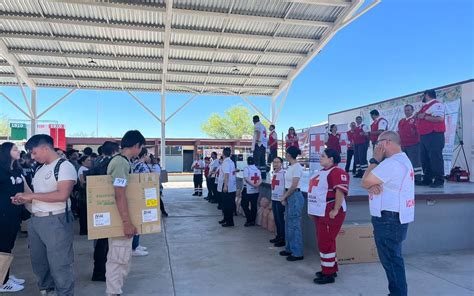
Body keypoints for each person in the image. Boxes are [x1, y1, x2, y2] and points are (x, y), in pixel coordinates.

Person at [12, 134, 77, 296]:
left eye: (34, 153)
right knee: (39, 261)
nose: (33, 157)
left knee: (60, 262)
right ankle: (47, 290)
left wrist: (32, 197)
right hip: (36, 219)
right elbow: (39, 194)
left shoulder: (64, 166)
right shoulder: (40, 168)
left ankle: (65, 293)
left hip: (56, 220)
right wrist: (24, 200)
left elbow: (62, 195)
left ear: (45, 148)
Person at [361, 131, 415, 296]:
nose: (376, 146)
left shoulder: (391, 163)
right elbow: (369, 183)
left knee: (391, 262)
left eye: (378, 143)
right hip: (394, 218)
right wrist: (371, 184)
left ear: (387, 142)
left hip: (388, 220)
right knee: (394, 260)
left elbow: (364, 180)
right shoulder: (402, 160)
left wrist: (374, 161)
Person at [105, 130, 145, 296]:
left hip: (119, 216)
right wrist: (126, 222)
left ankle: (115, 290)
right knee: (118, 258)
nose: (141, 150)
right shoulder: (121, 163)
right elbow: (119, 193)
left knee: (122, 256)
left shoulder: (122, 161)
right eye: (141, 147)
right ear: (136, 146)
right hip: (120, 219)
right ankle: (113, 293)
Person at [308, 149, 350, 285]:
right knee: (327, 241)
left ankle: (328, 274)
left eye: (323, 156)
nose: (320, 158)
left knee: (325, 242)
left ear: (331, 159)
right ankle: (331, 269)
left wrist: (336, 209)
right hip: (321, 212)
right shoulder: (322, 172)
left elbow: (340, 191)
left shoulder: (337, 172)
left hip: (330, 211)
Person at [0, 142, 28, 293]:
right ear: (6, 152)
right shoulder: (1, 170)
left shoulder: (17, 169)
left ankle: (5, 276)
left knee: (8, 246)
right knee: (3, 247)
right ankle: (2, 282)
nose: (19, 151)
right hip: (3, 214)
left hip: (14, 214)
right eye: (15, 149)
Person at [91, 141, 120, 283]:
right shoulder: (113, 162)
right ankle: (102, 272)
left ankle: (98, 271)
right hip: (109, 203)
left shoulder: (96, 161)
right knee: (107, 242)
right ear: (115, 151)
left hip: (96, 204)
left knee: (100, 239)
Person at [416, 89, 446, 188]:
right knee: (424, 158)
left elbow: (439, 119)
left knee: (435, 157)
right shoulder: (425, 106)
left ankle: (439, 180)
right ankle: (427, 178)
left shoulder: (437, 105)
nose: (422, 98)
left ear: (427, 95)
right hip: (424, 135)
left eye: (423, 96)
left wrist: (424, 117)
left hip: (434, 134)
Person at [279, 146, 304, 261]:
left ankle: (297, 252)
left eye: (286, 153)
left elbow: (294, 185)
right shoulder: (291, 167)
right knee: (288, 223)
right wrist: (285, 197)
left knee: (294, 225)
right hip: (290, 196)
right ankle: (289, 248)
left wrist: (284, 196)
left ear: (289, 154)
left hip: (294, 196)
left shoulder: (297, 167)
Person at [130, 148, 151, 257]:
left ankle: (136, 245)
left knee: (138, 221)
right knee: (138, 221)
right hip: (140, 196)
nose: (149, 157)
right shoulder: (141, 166)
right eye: (148, 155)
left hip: (135, 195)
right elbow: (146, 182)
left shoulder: (134, 164)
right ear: (144, 155)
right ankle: (134, 247)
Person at [398, 104, 423, 185]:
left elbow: (418, 130)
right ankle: (408, 178)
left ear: (412, 110)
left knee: (415, 161)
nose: (407, 112)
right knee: (406, 162)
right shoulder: (401, 121)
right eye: (405, 110)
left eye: (408, 110)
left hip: (414, 143)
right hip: (403, 145)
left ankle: (418, 178)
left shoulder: (415, 119)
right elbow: (399, 131)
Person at [217, 148, 236, 227]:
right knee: (227, 204)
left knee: (227, 205)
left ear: (223, 154)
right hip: (231, 186)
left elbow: (226, 174)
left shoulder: (226, 163)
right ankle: (225, 218)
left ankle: (229, 222)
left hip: (227, 187)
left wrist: (225, 186)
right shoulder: (231, 161)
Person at [269, 157, 286, 247]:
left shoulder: (284, 173)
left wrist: (284, 199)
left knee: (280, 220)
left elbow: (285, 187)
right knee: (276, 219)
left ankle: (283, 239)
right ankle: (278, 236)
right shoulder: (274, 173)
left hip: (280, 200)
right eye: (274, 162)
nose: (275, 164)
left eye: (277, 162)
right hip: (274, 199)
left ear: (281, 163)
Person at [241, 156, 262, 227]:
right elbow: (260, 180)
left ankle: (249, 219)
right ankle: (253, 220)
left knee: (244, 204)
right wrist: (256, 185)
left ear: (247, 162)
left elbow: (246, 179)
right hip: (256, 190)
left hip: (247, 190)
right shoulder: (257, 170)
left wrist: (253, 185)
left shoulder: (246, 168)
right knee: (253, 205)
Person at [78, 154, 93, 235]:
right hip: (83, 195)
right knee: (83, 213)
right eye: (88, 160)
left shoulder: (86, 169)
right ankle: (83, 230)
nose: (90, 162)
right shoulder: (82, 169)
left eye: (90, 160)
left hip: (85, 194)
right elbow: (82, 181)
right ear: (83, 162)